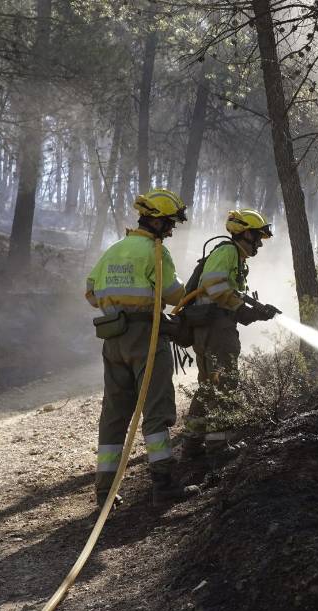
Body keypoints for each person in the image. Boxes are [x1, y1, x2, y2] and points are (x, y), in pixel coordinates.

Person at [85, 189, 187, 507]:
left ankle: (104, 492)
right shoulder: (154, 251)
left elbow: (90, 291)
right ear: (155, 222)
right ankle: (164, 485)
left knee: (114, 415)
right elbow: (173, 294)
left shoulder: (114, 248)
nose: (171, 230)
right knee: (156, 410)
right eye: (169, 223)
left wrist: (119, 305)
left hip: (113, 339)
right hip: (146, 337)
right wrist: (189, 294)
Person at [180, 209, 278, 457]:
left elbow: (228, 294)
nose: (259, 244)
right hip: (216, 330)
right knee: (224, 383)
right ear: (245, 233)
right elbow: (215, 286)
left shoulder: (233, 257)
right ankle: (218, 446)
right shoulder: (228, 251)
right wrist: (241, 309)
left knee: (208, 385)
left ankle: (192, 443)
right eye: (257, 237)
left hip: (209, 328)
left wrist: (254, 310)